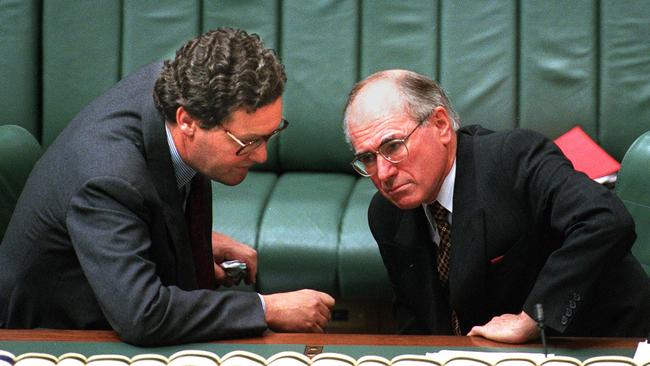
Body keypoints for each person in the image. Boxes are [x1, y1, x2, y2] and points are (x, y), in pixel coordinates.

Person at [0, 28, 334, 346]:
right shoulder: (109, 180)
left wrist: (190, 242)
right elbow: (143, 315)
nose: (261, 155)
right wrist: (266, 308)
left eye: (270, 135)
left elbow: (141, 203)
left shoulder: (177, 84)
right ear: (187, 121)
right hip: (51, 338)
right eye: (247, 142)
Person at [342, 69, 650, 343]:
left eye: (393, 146)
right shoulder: (386, 214)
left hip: (598, 341)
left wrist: (532, 319)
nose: (382, 173)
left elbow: (606, 220)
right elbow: (416, 318)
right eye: (367, 158)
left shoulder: (512, 159)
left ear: (440, 124)